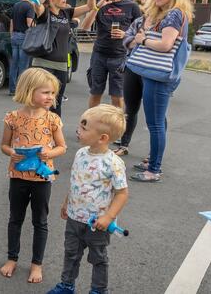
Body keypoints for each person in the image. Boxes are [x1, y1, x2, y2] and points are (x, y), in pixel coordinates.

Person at [47, 104, 129, 294]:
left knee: (98, 258)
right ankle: (67, 285)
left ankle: (98, 290)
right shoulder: (80, 153)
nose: (78, 130)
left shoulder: (113, 163)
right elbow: (77, 181)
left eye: (84, 128)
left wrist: (108, 217)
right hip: (75, 217)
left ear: (102, 138)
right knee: (71, 253)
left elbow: (122, 193)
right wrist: (67, 202)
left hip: (97, 223)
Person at [0, 68, 67, 284]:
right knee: (15, 219)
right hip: (18, 177)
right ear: (29, 91)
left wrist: (49, 153)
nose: (51, 97)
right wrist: (11, 152)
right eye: (46, 92)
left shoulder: (52, 119)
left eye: (53, 93)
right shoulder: (12, 118)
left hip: (42, 180)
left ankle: (37, 264)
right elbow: (4, 145)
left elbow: (62, 147)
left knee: (40, 221)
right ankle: (12, 258)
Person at [128, 0, 193, 182]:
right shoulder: (170, 13)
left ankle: (153, 170)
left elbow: (166, 45)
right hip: (156, 75)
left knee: (155, 124)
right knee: (158, 121)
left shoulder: (174, 13)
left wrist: (143, 40)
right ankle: (152, 163)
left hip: (158, 76)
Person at [33, 0, 97, 116]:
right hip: (44, 65)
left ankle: (54, 129)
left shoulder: (66, 13)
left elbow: (90, 7)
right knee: (41, 103)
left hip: (61, 66)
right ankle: (38, 129)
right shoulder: (45, 13)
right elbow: (37, 2)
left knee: (56, 102)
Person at [81, 0, 142, 109]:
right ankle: (92, 121)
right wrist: (98, 6)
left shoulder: (132, 6)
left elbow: (141, 33)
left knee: (117, 96)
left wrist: (125, 35)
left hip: (120, 56)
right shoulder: (100, 5)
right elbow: (85, 26)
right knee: (95, 93)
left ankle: (117, 122)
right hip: (99, 54)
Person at [114, 0, 155, 156]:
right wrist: (140, 40)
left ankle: (153, 154)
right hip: (132, 67)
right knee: (130, 109)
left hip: (152, 71)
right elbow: (126, 41)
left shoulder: (164, 21)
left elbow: (163, 46)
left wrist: (139, 40)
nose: (144, 1)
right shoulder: (138, 21)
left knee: (155, 115)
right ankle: (124, 145)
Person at [9, 0, 37, 95]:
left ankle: (12, 89)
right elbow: (29, 23)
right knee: (23, 65)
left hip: (14, 36)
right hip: (24, 37)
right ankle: (21, 91)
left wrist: (11, 35)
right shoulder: (30, 6)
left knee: (14, 64)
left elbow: (11, 22)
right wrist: (37, 26)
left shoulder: (16, 5)